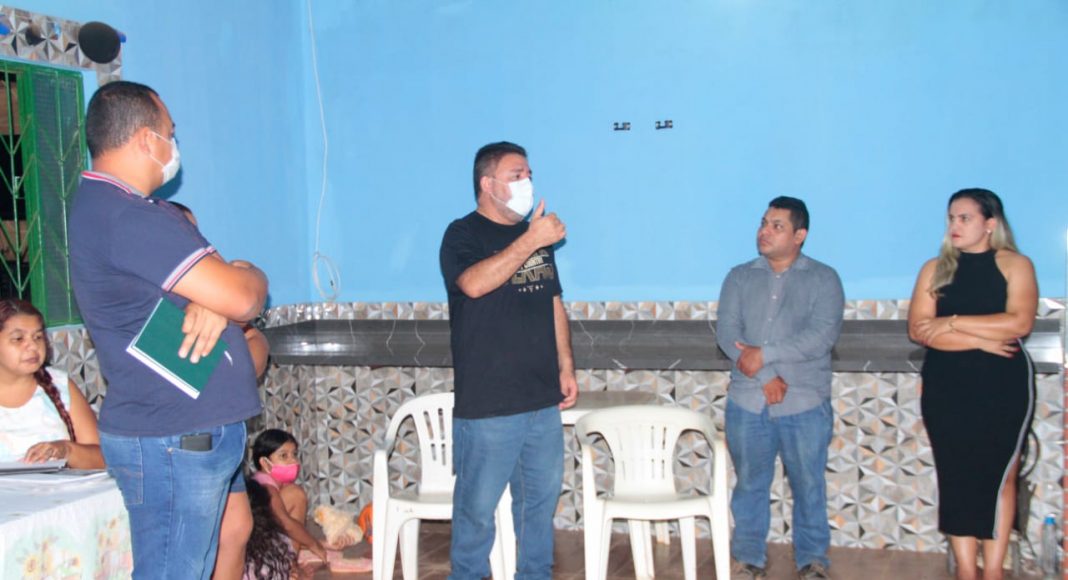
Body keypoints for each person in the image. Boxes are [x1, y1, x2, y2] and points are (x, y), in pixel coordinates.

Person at [68, 80, 268, 579]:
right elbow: (244, 297)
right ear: (145, 139)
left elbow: (225, 297)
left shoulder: (128, 211)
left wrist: (221, 299)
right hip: (172, 435)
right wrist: (248, 277)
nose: (174, 145)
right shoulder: (125, 215)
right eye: (170, 133)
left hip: (186, 429)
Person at [439, 141, 578, 579]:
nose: (527, 183)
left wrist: (566, 365)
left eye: (529, 174)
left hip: (541, 398)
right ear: (487, 184)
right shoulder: (462, 234)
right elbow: (474, 284)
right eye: (517, 175)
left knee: (538, 508)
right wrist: (531, 240)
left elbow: (552, 302)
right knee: (476, 513)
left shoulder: (536, 238)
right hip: (489, 405)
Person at [907, 189, 1036, 580]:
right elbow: (919, 330)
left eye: (965, 218)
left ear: (990, 224)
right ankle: (966, 569)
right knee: (955, 474)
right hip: (946, 384)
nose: (955, 225)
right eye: (951, 218)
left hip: (1003, 385)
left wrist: (950, 322)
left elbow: (1018, 323)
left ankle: (993, 570)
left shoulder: (1015, 264)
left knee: (999, 474)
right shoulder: (935, 269)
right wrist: (980, 338)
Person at [715, 196, 844, 580]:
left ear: (799, 235)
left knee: (808, 485)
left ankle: (812, 560)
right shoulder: (739, 277)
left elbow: (820, 337)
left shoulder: (824, 279)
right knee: (750, 484)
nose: (764, 232)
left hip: (804, 401)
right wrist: (765, 376)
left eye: (777, 226)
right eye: (763, 223)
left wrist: (765, 354)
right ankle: (748, 558)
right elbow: (727, 334)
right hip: (747, 399)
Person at [168, 200, 272, 580]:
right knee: (193, 541)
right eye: (185, 232)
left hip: (218, 431)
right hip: (180, 434)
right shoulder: (155, 298)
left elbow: (254, 354)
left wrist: (226, 310)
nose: (196, 242)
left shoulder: (212, 293)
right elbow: (199, 366)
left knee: (235, 527)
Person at [0, 298, 105, 469]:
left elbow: (102, 458)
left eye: (38, 337)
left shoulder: (59, 384)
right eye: (18, 339)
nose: (32, 346)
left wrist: (66, 450)